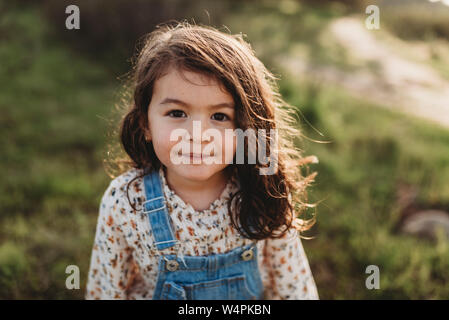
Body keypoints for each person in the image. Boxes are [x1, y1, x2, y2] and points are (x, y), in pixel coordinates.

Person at [85, 21, 319, 300]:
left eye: (219, 117)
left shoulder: (262, 191)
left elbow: (294, 287)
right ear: (145, 123)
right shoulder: (125, 203)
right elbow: (105, 292)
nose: (198, 135)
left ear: (245, 128)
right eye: (176, 113)